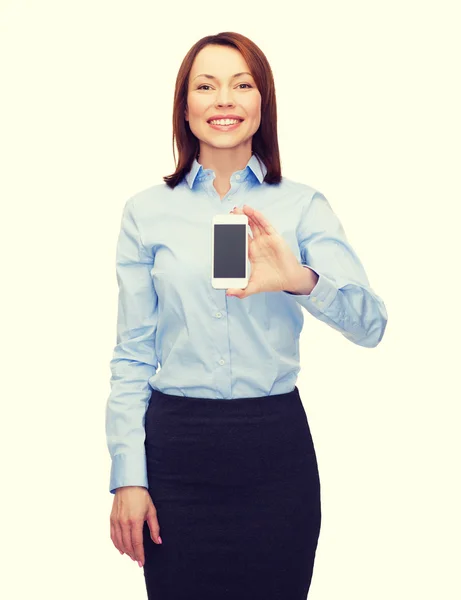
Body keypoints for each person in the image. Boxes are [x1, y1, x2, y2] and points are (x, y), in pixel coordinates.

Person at [105, 31, 388, 600]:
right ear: (185, 107)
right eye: (205, 86)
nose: (224, 99)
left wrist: (299, 280)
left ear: (264, 103)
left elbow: (372, 325)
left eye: (242, 84)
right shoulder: (145, 212)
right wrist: (128, 476)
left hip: (273, 452)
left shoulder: (303, 205)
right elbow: (133, 352)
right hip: (176, 452)